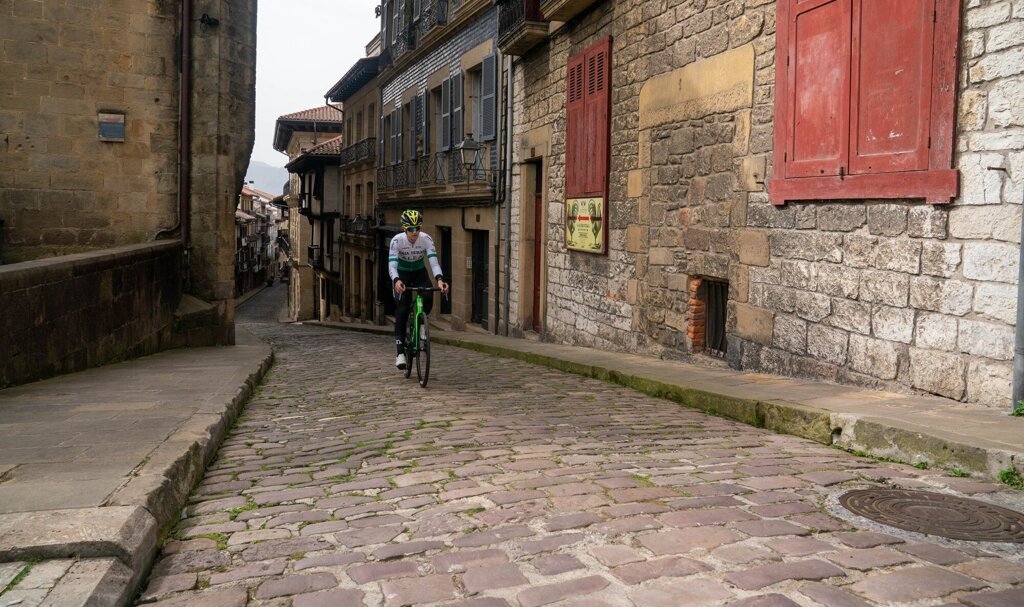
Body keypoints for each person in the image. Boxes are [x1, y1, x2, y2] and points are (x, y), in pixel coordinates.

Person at [389, 209, 449, 369]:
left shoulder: (426, 239)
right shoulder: (397, 241)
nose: (415, 232)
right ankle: (400, 353)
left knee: (428, 295)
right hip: (402, 274)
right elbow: (392, 265)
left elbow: (434, 263)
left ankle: (422, 324)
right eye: (411, 229)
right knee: (402, 310)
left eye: (417, 228)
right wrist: (396, 280)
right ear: (404, 229)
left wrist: (440, 280)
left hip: (419, 272)